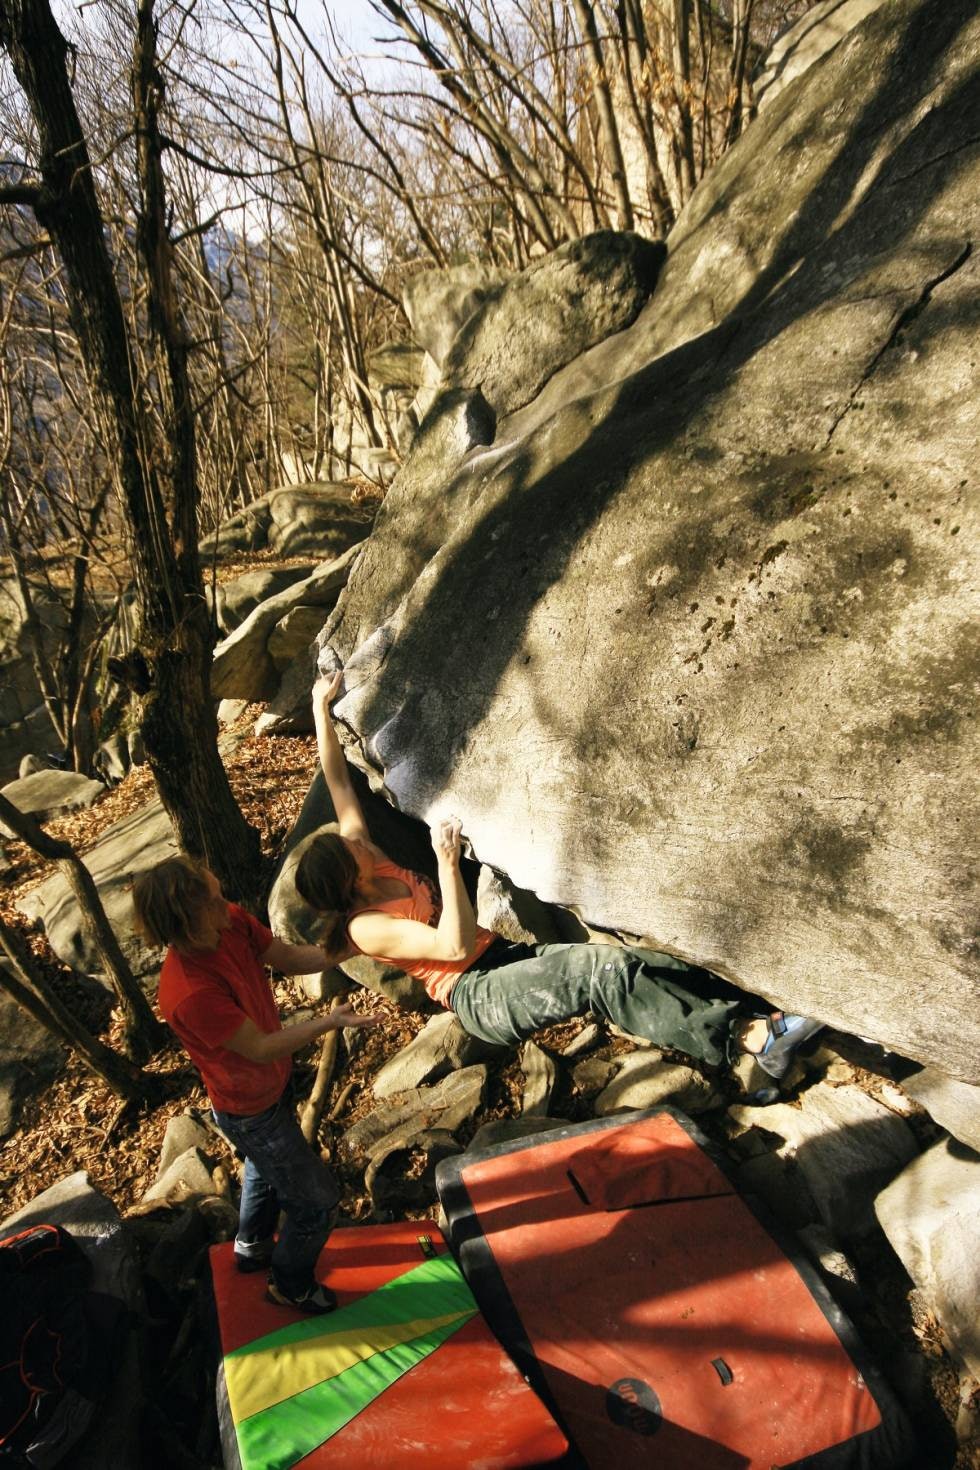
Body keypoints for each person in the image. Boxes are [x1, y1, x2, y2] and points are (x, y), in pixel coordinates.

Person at [296, 671, 823, 1081]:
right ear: (348, 879)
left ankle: (760, 1018)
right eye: (346, 848)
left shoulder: (366, 854)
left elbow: (339, 782)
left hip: (499, 958)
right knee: (600, 975)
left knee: (634, 958)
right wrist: (447, 864)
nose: (353, 838)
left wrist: (321, 708)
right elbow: (453, 948)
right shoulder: (367, 925)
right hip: (477, 993)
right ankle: (751, 1039)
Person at [132, 855, 380, 1314]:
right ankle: (290, 1284)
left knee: (264, 1168)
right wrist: (331, 1021)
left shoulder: (229, 923)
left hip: (269, 1087)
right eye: (211, 898)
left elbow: (288, 959)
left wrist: (352, 944)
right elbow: (261, 1047)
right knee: (318, 1203)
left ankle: (249, 1246)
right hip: (249, 1109)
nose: (225, 900)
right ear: (186, 921)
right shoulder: (188, 993)